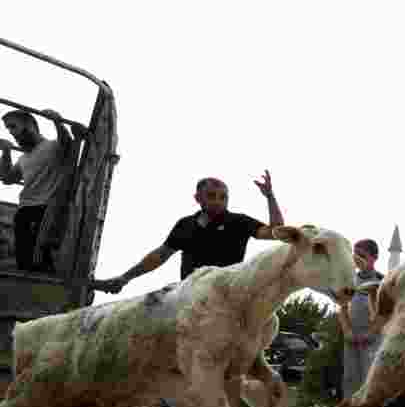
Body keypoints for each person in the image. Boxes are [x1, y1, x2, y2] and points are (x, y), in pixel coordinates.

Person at [92, 172, 283, 291]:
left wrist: (270, 196)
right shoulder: (186, 225)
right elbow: (159, 256)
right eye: (211, 196)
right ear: (198, 198)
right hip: (190, 295)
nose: (218, 201)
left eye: (223, 197)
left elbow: (276, 231)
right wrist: (125, 278)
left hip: (228, 293)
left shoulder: (239, 222)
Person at [0, 109, 82, 273]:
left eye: (13, 126)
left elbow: (67, 145)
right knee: (23, 259)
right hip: (23, 211)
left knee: (40, 259)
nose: (11, 132)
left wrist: (57, 122)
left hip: (45, 208)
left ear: (31, 125)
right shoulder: (24, 158)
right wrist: (7, 152)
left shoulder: (53, 146)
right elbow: (8, 179)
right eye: (8, 129)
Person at [337, 239, 385, 400]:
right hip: (351, 338)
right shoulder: (348, 281)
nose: (357, 259)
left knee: (369, 379)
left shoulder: (382, 282)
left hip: (373, 339)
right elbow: (342, 307)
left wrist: (371, 333)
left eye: (362, 255)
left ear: (374, 257)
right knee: (350, 379)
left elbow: (384, 314)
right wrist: (347, 331)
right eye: (355, 255)